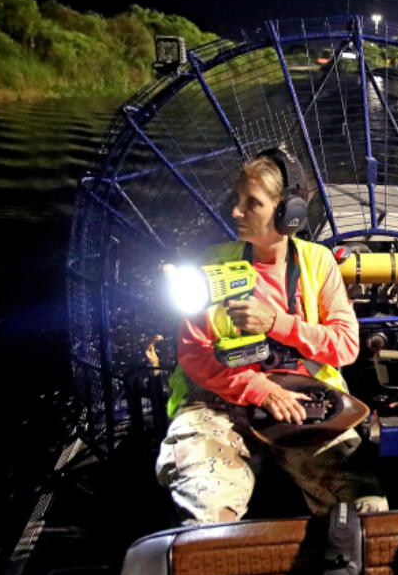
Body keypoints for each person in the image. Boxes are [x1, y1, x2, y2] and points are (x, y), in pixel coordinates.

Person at [156, 149, 386, 524]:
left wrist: (277, 323)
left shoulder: (318, 263)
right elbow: (195, 354)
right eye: (237, 201)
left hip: (305, 404)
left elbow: (345, 345)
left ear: (289, 213)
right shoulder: (212, 265)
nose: (236, 212)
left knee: (367, 509)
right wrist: (262, 390)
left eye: (252, 204)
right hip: (218, 403)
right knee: (207, 514)